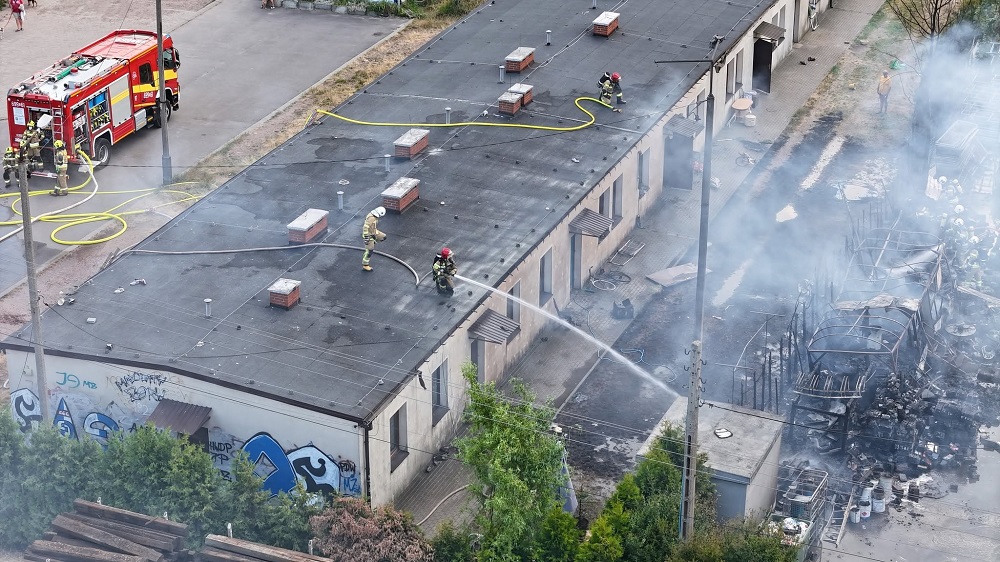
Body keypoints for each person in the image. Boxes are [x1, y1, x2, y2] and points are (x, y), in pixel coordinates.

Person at [361, 206, 387, 271]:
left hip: (374, 232)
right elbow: (365, 227)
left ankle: (374, 241)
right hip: (369, 235)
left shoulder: (374, 216)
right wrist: (366, 236)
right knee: (369, 251)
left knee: (383, 237)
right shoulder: (371, 218)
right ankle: (365, 265)